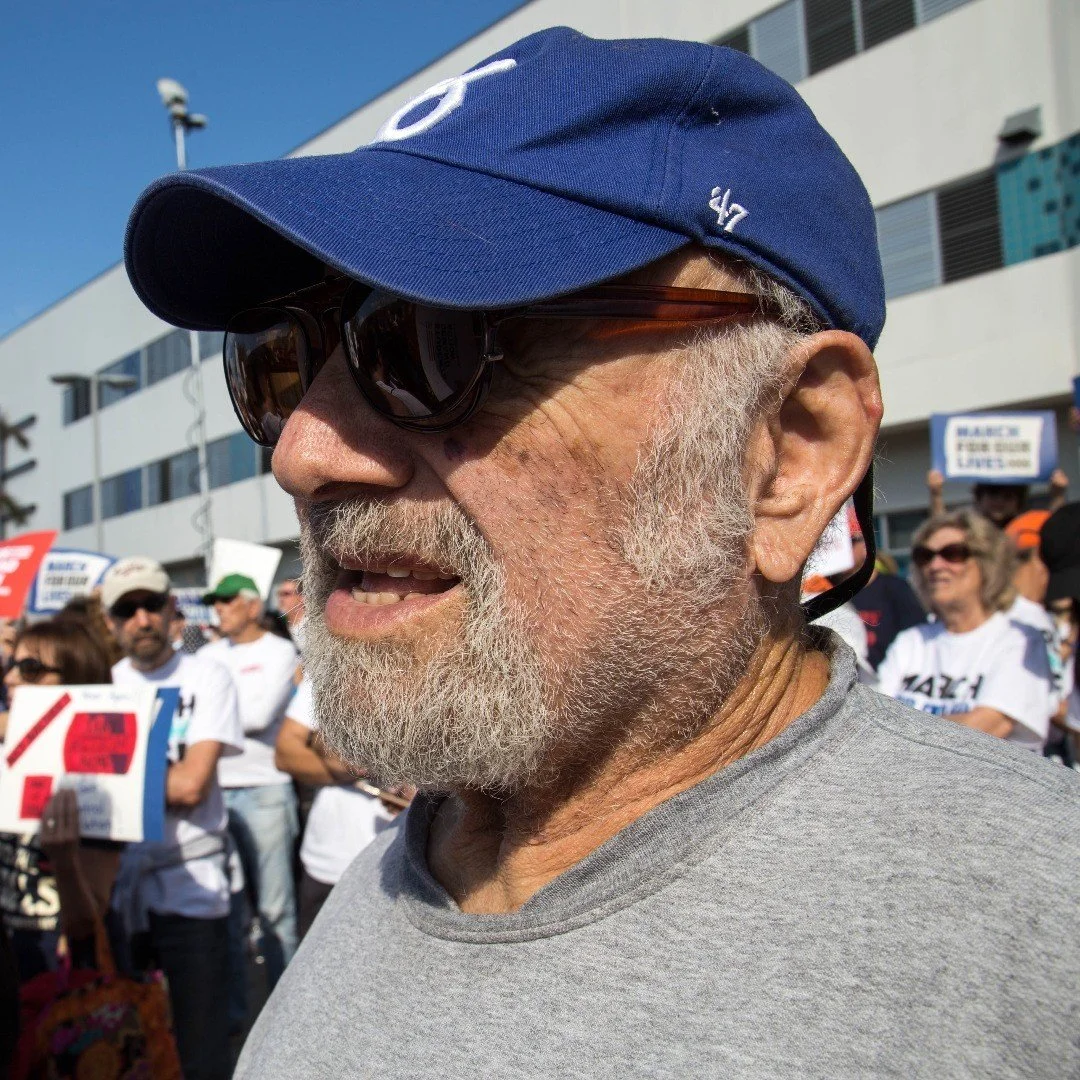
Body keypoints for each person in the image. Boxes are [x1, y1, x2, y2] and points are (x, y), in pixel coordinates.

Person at [124, 29, 1080, 1076]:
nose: (304, 451)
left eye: (434, 339)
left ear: (786, 453)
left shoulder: (1039, 924)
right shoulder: (389, 882)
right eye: (279, 362)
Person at [103, 557, 244, 1080]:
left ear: (170, 610)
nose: (141, 619)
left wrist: (115, 775)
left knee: (199, 1038)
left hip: (193, 890)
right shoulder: (103, 685)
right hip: (124, 893)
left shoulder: (207, 674)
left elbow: (190, 785)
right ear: (111, 623)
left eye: (151, 606)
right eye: (127, 609)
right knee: (128, 1040)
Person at [0, 621, 119, 982]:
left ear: (75, 681)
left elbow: (90, 918)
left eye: (30, 670)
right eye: (10, 666)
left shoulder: (105, 779)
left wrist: (65, 861)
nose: (10, 679)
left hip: (60, 977)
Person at [201, 573, 300, 1001]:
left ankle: (288, 1005)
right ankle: (238, 1010)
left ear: (251, 606)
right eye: (216, 602)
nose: (219, 609)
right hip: (217, 793)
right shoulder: (208, 655)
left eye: (227, 602)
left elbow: (260, 715)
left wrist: (212, 721)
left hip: (265, 791)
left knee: (276, 909)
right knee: (232, 911)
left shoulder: (280, 651)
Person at [878, 510, 1053, 750]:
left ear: (986, 563)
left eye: (953, 554)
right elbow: (874, 719)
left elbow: (986, 727)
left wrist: (894, 733)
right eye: (925, 556)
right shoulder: (911, 641)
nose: (936, 565)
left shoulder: (1019, 640)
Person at [274, 679, 396, 939]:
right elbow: (285, 752)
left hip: (404, 863)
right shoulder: (327, 672)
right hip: (329, 859)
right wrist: (346, 767)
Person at [828, 506, 925, 669]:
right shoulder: (822, 592)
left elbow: (919, 641)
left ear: (866, 541)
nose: (841, 549)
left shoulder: (896, 589)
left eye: (850, 541)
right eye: (834, 542)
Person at [927, 468, 1069, 528]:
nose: (1000, 501)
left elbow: (1058, 534)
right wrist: (936, 495)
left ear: (1018, 502)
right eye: (993, 493)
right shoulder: (970, 531)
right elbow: (941, 532)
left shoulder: (1027, 530)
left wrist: (1058, 496)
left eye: (1008, 496)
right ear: (979, 497)